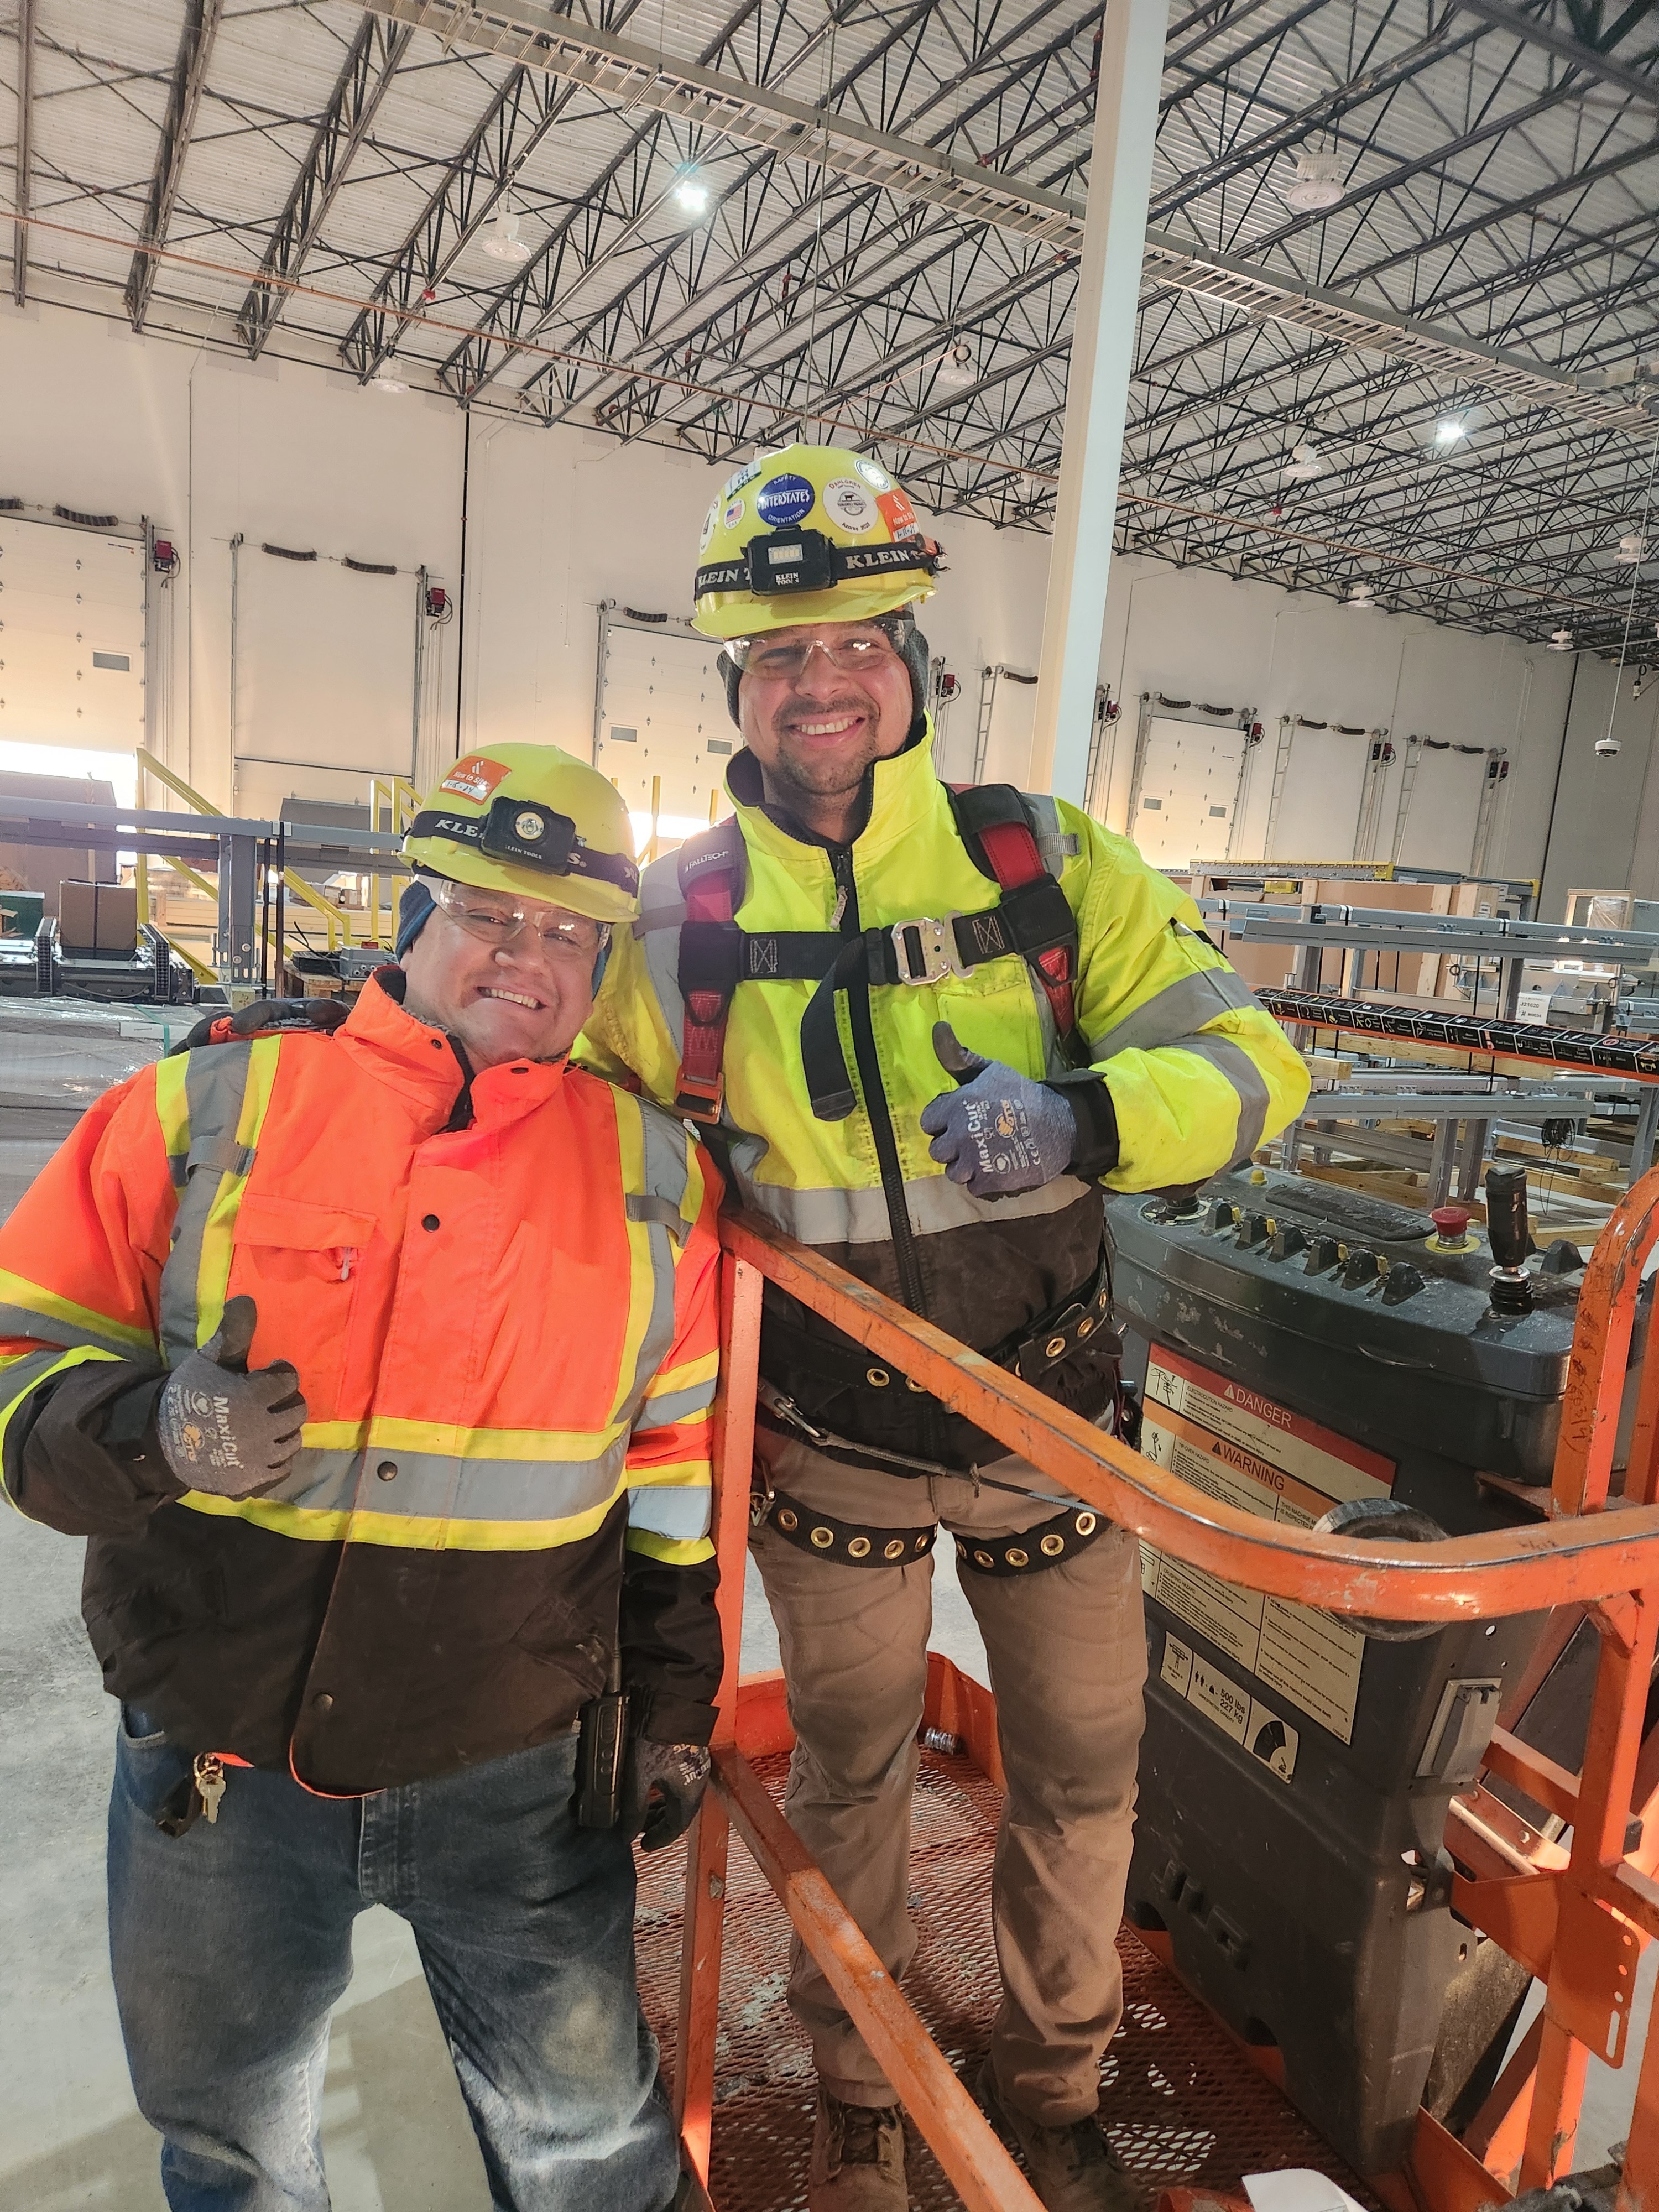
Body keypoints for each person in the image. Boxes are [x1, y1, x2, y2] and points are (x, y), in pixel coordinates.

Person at [580, 445, 1312, 2211]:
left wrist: (1090, 1117)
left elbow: (1258, 1065)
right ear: (733, 688)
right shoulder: (679, 918)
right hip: (830, 1448)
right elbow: (591, 1150)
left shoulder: (1046, 867)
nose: (818, 683)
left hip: (1052, 1429)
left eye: (852, 644)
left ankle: (1054, 2091)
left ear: (915, 664)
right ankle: (859, 2092)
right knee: (849, 1779)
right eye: (775, 655)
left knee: (1084, 1777)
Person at [0, 744, 723, 2212]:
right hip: (226, 1770)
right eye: (493, 915)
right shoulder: (205, 1108)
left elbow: (674, 1473)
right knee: (232, 2156)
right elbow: (19, 1354)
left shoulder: (657, 1182)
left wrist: (672, 1700)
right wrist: (148, 1429)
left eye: (573, 933)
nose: (531, 955)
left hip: (516, 1774)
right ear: (416, 919)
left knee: (595, 2157)